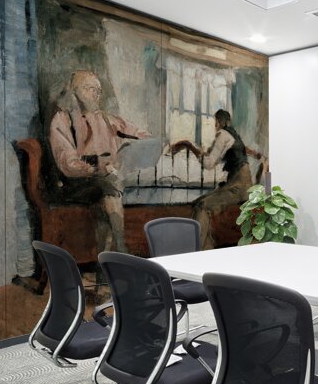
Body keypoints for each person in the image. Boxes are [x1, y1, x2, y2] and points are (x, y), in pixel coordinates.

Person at [48, 69, 148, 254]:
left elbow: (137, 132)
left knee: (107, 194)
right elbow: (67, 163)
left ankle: (105, 263)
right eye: (89, 88)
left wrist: (152, 143)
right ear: (75, 91)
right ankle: (121, 247)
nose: (96, 94)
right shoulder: (62, 119)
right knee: (109, 185)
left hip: (102, 182)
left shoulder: (105, 118)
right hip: (75, 183)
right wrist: (98, 166)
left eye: (98, 90)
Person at [170, 109, 257, 250]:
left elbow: (209, 163)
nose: (215, 125)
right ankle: (207, 247)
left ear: (217, 122)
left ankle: (197, 250)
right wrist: (258, 155)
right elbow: (241, 152)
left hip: (237, 186)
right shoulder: (234, 135)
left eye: (215, 122)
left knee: (201, 206)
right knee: (199, 202)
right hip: (245, 185)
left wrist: (189, 146)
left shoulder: (223, 134)